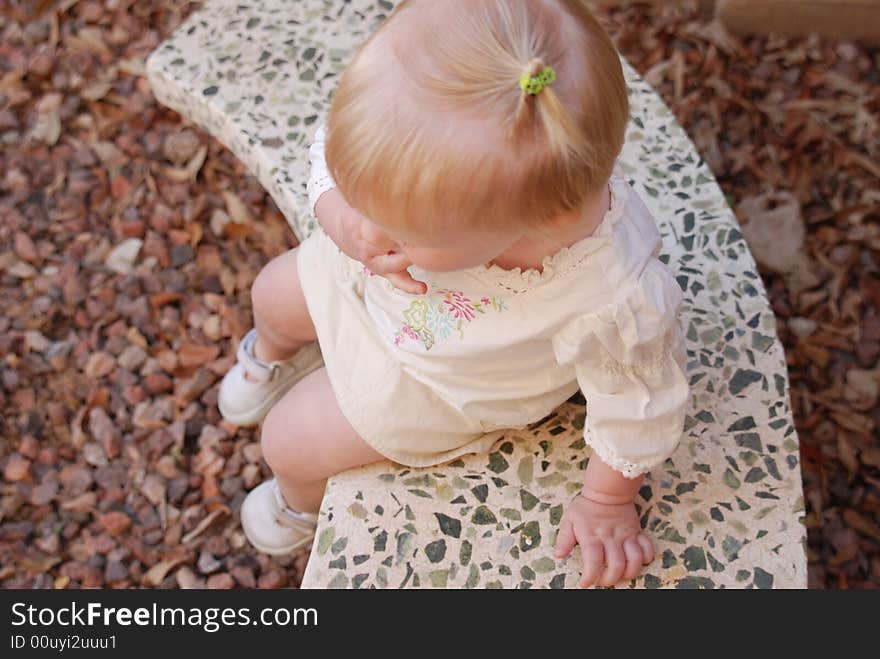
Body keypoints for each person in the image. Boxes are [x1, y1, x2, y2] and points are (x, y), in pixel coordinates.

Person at [218, 0, 690, 588]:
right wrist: (339, 214)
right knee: (273, 292)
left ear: (535, 222)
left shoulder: (609, 296)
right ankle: (270, 354)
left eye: (403, 227)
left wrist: (606, 501)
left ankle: (298, 500)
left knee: (290, 439)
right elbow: (337, 157)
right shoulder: (423, 166)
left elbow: (637, 404)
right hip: (371, 281)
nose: (372, 224)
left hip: (441, 375)